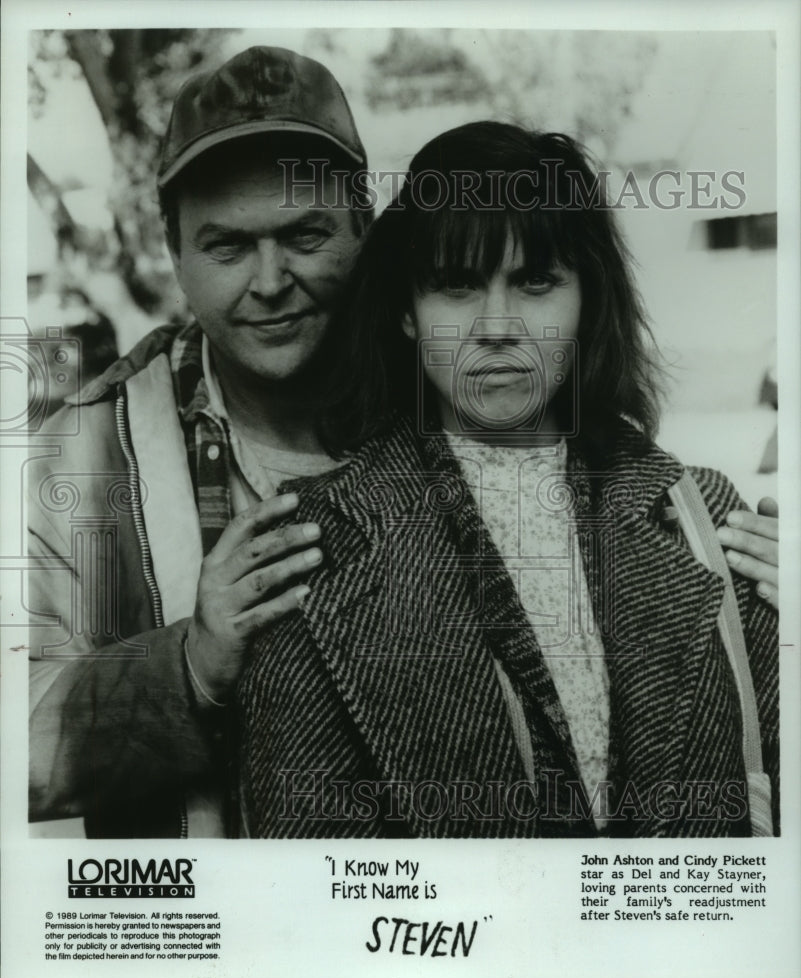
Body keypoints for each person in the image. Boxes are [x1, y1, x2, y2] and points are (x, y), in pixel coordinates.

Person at [237, 122, 779, 837]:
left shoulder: (701, 515)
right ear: (406, 310)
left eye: (534, 282)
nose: (497, 327)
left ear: (587, 301)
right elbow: (314, 896)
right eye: (456, 286)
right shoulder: (312, 544)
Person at [27, 46, 371, 837]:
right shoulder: (82, 453)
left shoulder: (443, 407)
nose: (271, 279)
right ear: (175, 252)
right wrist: (189, 666)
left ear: (364, 226)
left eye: (306, 233)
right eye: (227, 245)